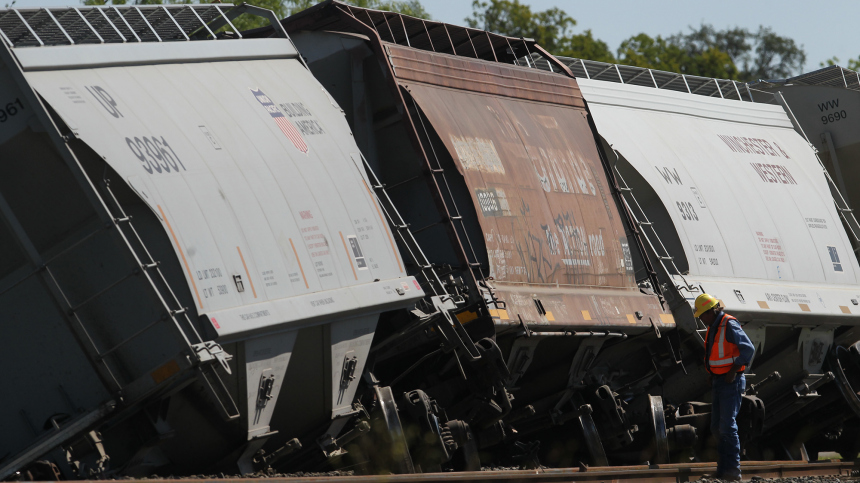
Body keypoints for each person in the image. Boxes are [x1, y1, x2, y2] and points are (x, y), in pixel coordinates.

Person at [694, 293, 755, 481]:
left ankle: (733, 472)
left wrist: (732, 371)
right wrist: (713, 374)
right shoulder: (714, 325)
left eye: (703, 314)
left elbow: (748, 349)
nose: (702, 319)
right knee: (716, 428)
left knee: (727, 427)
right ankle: (722, 471)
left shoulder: (728, 323)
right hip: (720, 382)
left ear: (712, 311)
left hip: (731, 382)